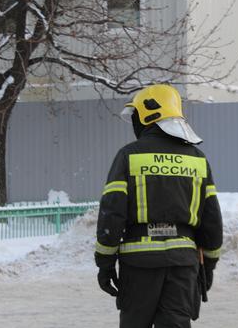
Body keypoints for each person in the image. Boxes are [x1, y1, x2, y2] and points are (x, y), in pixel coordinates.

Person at [94, 84, 223, 328]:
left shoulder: (128, 156)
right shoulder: (196, 159)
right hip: (183, 265)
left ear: (146, 115)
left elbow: (112, 214)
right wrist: (210, 264)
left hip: (139, 264)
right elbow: (212, 219)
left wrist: (105, 264)